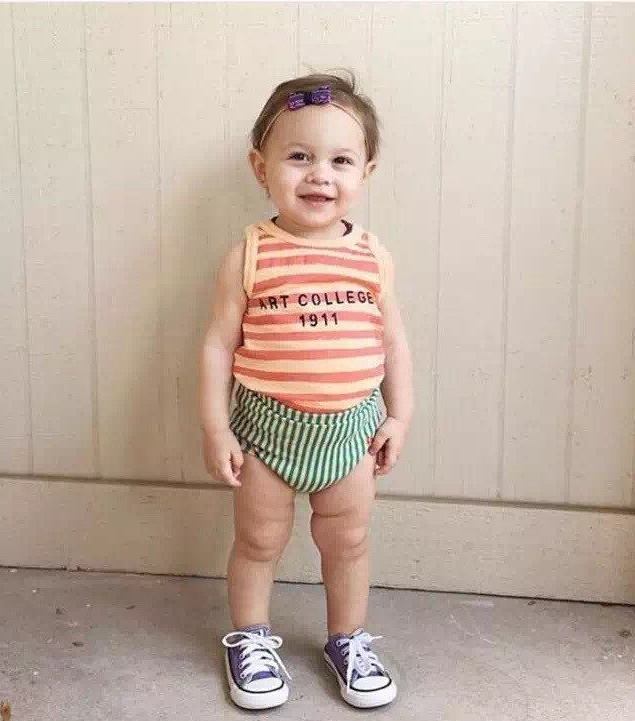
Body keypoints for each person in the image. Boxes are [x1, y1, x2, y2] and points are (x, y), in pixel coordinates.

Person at [198, 70, 413, 710]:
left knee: (347, 542)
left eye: (340, 161)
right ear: (260, 168)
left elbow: (394, 343)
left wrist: (399, 416)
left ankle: (348, 639)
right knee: (259, 541)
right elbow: (217, 345)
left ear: (365, 173)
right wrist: (216, 427)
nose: (320, 175)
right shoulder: (250, 254)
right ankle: (250, 637)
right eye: (299, 157)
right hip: (267, 429)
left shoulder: (372, 256)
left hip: (350, 431)